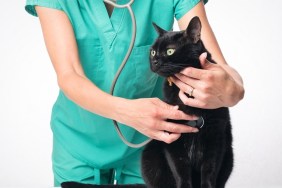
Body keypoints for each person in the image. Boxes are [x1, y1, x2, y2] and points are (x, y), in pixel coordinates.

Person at [25, 0, 244, 186]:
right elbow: (69, 74)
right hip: (78, 142)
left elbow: (219, 69)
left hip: (149, 141)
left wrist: (233, 90)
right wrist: (128, 112)